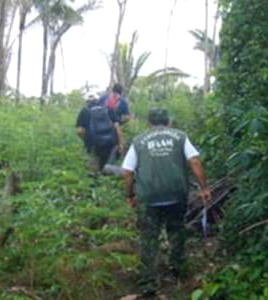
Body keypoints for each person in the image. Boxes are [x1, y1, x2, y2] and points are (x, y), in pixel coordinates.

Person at [120, 108, 211, 297]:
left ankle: (148, 283)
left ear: (149, 123)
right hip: (176, 194)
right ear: (168, 121)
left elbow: (128, 172)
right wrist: (204, 187)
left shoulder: (139, 141)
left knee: (149, 239)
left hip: (149, 197)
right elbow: (195, 161)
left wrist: (130, 194)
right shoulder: (180, 137)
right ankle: (177, 268)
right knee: (176, 231)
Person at [76, 92, 125, 172]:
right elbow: (117, 127)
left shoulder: (84, 111)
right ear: (98, 100)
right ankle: (109, 181)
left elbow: (80, 131)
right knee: (109, 169)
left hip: (94, 145)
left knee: (94, 172)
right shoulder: (108, 109)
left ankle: (97, 181)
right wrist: (121, 143)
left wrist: (86, 140)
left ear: (86, 102)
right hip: (111, 144)